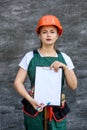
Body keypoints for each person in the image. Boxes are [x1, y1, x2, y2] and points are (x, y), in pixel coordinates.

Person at [14, 15, 77, 130]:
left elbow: (73, 86)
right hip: (34, 106)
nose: (48, 35)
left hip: (57, 110)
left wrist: (65, 68)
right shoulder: (30, 56)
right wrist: (31, 100)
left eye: (52, 32)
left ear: (58, 35)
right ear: (39, 35)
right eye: (44, 32)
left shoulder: (65, 58)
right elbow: (18, 82)